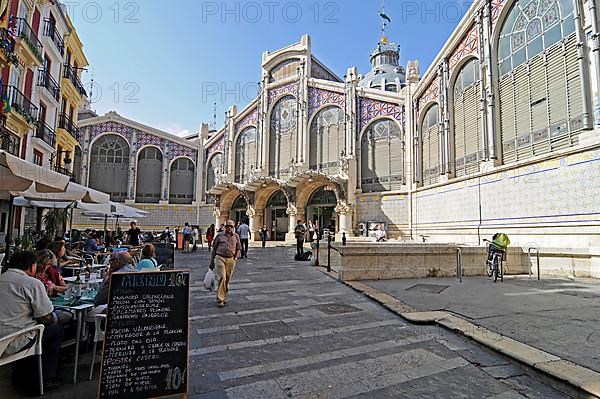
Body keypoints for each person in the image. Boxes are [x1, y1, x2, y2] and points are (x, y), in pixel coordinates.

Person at [0, 251, 64, 389]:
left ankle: (21, 374)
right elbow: (45, 316)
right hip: (14, 340)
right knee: (55, 330)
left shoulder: (2, 278)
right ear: (32, 267)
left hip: (3, 337)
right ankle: (47, 378)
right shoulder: (32, 283)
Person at [209, 220, 241, 308]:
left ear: (233, 228)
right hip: (220, 258)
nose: (229, 228)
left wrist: (235, 258)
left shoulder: (236, 236)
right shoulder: (219, 236)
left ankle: (224, 296)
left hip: (231, 259)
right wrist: (212, 261)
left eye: (231, 226)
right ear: (225, 227)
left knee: (227, 279)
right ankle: (220, 299)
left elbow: (239, 248)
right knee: (222, 277)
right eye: (228, 226)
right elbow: (214, 249)